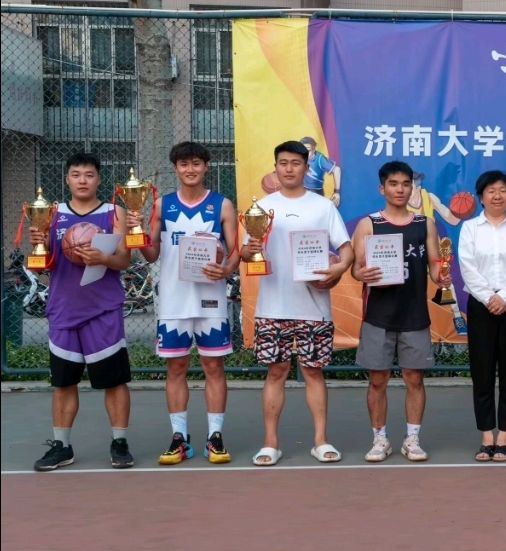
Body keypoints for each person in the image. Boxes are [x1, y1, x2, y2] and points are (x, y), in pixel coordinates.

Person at [241, 140, 354, 466]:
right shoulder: (262, 208)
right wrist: (249, 251)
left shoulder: (323, 207)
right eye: (283, 163)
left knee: (313, 372)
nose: (289, 168)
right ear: (275, 167)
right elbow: (247, 251)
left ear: (307, 167)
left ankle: (320, 440)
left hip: (314, 306)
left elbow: (346, 250)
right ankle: (270, 443)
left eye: (295, 163)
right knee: (275, 372)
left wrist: (338, 270)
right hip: (272, 306)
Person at [129, 141, 240, 465]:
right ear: (175, 168)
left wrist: (226, 270)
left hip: (210, 299)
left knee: (213, 367)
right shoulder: (162, 205)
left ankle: (215, 437)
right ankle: (179, 438)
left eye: (196, 163)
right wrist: (137, 233)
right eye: (183, 164)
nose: (190, 169)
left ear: (206, 166)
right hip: (173, 301)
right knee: (176, 367)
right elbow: (152, 254)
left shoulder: (222, 205)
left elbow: (235, 250)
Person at [30, 153, 134, 471]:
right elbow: (40, 265)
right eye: (76, 174)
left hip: (103, 309)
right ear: (67, 179)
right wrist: (37, 246)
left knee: (114, 381)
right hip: (64, 309)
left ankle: (119, 443)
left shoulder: (114, 212)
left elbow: (124, 261)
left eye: (89, 174)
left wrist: (103, 259)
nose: (83, 180)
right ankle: (62, 446)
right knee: (63, 383)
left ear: (98, 179)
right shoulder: (51, 214)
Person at [352, 160, 451, 462]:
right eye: (393, 184)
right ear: (382, 188)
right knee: (377, 380)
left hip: (414, 315)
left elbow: (435, 265)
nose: (400, 189)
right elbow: (356, 268)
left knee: (414, 379)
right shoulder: (369, 224)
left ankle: (412, 439)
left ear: (412, 188)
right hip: (378, 316)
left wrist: (442, 275)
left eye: (405, 184)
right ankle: (380, 439)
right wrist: (361, 274)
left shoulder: (425, 224)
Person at [458, 170, 506, 462]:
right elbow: (467, 267)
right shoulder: (470, 229)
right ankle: (486, 434)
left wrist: (504, 297)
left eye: (502, 190)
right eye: (491, 191)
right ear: (481, 197)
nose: (497, 196)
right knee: (482, 372)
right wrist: (489, 297)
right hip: (481, 306)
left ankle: (504, 435)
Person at [300, 136, 341, 207]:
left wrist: (337, 192)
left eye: (308, 150)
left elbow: (337, 170)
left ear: (314, 149)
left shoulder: (320, 159)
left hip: (315, 192)